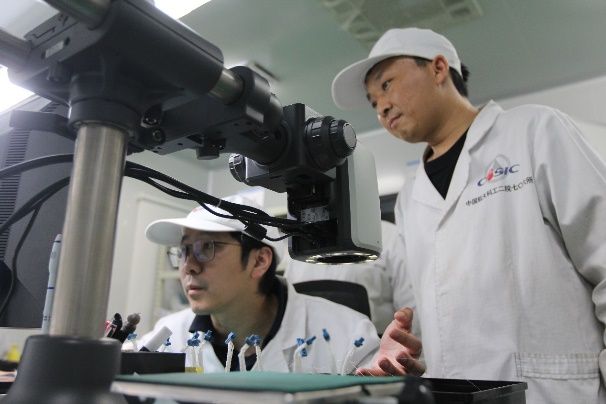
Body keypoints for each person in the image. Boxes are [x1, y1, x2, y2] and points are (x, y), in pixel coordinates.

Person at [331, 27, 606, 403]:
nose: (381, 107)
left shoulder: (535, 131)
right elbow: (445, 307)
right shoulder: (411, 196)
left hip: (556, 392)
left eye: (387, 84)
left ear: (438, 68)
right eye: (373, 100)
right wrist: (416, 348)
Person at [136, 194, 380, 374]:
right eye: (184, 250)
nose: (189, 266)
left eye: (207, 247)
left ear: (259, 261)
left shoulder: (349, 335)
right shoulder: (167, 335)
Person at [284, 220, 417, 333]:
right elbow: (290, 308)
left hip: (375, 350)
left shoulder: (390, 237)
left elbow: (410, 313)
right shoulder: (299, 245)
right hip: (311, 349)